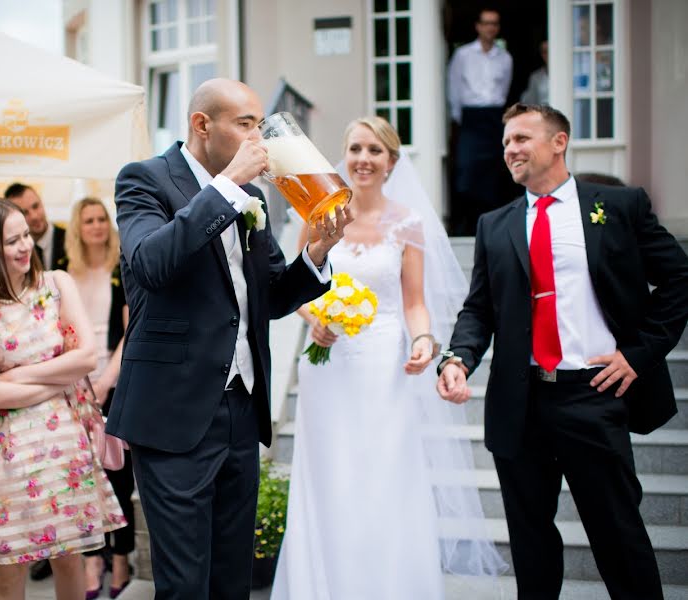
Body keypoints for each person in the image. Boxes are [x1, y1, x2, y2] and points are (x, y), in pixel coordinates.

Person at [111, 78, 350, 600]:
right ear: (202, 124)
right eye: (246, 125)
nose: (259, 139)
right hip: (174, 415)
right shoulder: (144, 180)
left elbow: (271, 296)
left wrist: (316, 252)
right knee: (184, 586)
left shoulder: (254, 197)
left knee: (232, 580)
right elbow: (151, 263)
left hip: (241, 412)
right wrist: (225, 188)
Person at [437, 103, 688, 599]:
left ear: (559, 142)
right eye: (507, 141)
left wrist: (638, 355)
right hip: (520, 402)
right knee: (531, 545)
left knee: (618, 536)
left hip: (591, 396)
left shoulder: (618, 206)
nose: (511, 149)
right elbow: (480, 310)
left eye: (523, 138)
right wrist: (458, 358)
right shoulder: (495, 224)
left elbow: (679, 278)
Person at [271, 117, 506, 599]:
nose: (362, 158)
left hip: (384, 364)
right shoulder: (318, 212)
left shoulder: (407, 223)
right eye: (355, 148)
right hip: (328, 364)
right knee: (330, 472)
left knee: (382, 472)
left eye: (375, 150)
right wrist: (312, 316)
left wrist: (425, 341)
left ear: (391, 161)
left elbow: (414, 301)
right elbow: (294, 287)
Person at [0, 197, 124, 600]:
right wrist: (59, 379)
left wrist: (17, 375)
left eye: (26, 235)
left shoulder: (58, 283)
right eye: (12, 241)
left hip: (64, 443)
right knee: (10, 567)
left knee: (70, 558)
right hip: (6, 452)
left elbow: (85, 357)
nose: (25, 246)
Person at [65, 197, 134, 599]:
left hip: (114, 383)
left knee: (117, 475)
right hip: (75, 387)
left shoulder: (120, 269)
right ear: (77, 227)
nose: (95, 226)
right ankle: (94, 557)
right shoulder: (65, 275)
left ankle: (122, 556)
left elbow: (131, 330)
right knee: (83, 477)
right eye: (87, 220)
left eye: (101, 219)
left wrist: (108, 381)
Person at [447, 8, 513, 234]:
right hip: (471, 117)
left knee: (493, 171)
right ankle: (468, 223)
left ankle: (492, 224)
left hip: (494, 117)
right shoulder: (463, 55)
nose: (490, 28)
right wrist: (459, 119)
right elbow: (454, 88)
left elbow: (504, 90)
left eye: (494, 23)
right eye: (486, 23)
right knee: (467, 171)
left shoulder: (505, 58)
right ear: (478, 26)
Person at [5, 182, 69, 272]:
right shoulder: (11, 250)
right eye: (24, 213)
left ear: (42, 202)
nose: (34, 216)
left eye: (36, 206)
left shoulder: (71, 239)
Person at [520, 40, 549, 105]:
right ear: (541, 54)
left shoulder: (565, 73)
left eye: (550, 50)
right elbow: (531, 102)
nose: (548, 54)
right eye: (544, 52)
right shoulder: (535, 77)